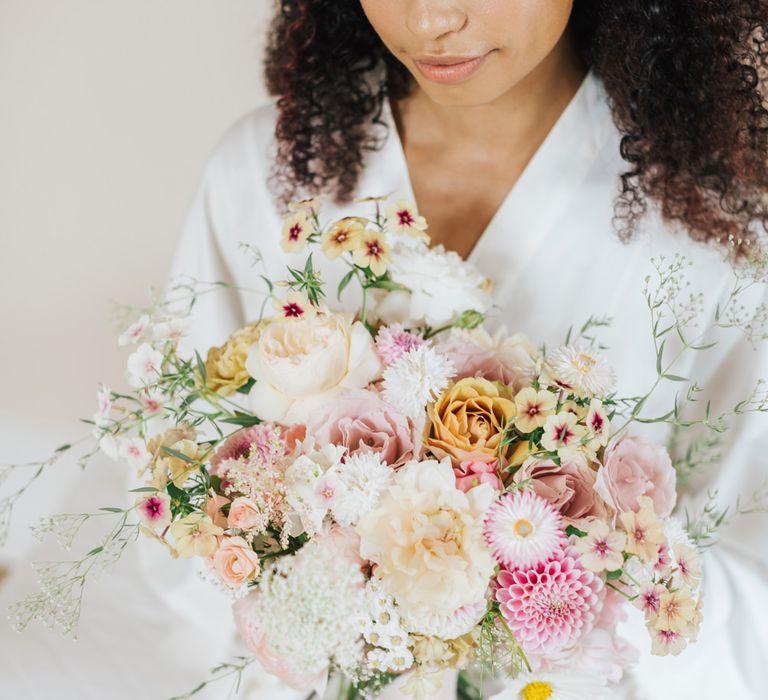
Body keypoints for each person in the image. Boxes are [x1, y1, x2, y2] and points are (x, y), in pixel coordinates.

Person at [164, 2, 768, 698]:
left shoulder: (715, 224)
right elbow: (180, 501)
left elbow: (748, 561)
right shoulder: (265, 175)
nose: (428, 21)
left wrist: (577, 602)